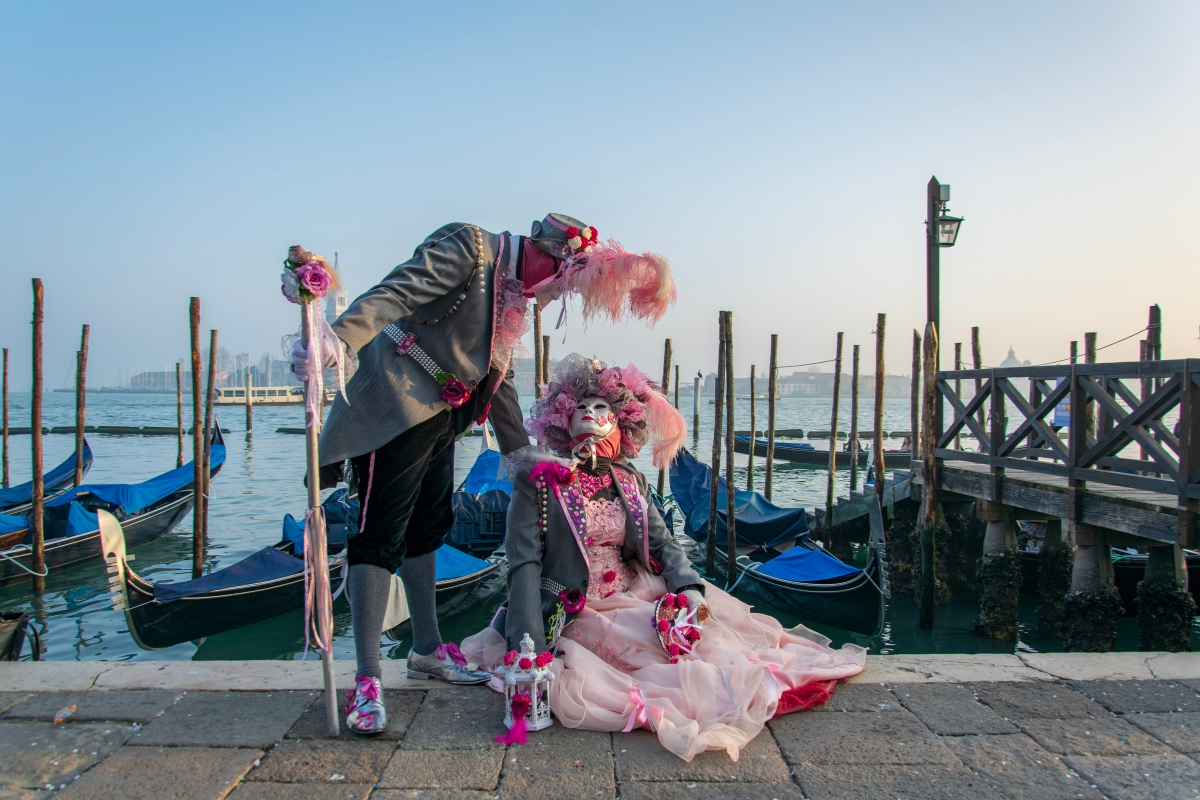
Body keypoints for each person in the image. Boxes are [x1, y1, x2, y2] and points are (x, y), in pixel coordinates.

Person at [292, 215, 675, 735]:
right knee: (377, 535)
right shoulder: (470, 248)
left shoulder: (514, 294)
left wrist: (524, 455)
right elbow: (395, 294)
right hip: (392, 409)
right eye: (560, 282)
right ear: (548, 258)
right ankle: (366, 678)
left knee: (429, 526)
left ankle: (425, 648)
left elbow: (499, 379)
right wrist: (336, 339)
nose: (554, 295)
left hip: (442, 420)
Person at [461, 355, 866, 762]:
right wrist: (527, 642)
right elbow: (524, 564)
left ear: (621, 423)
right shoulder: (540, 482)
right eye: (581, 407)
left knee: (708, 647)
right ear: (563, 418)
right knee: (640, 674)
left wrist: (687, 586)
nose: (590, 413)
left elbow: (662, 543)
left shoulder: (629, 479)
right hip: (571, 606)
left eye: (601, 408)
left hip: (633, 591)